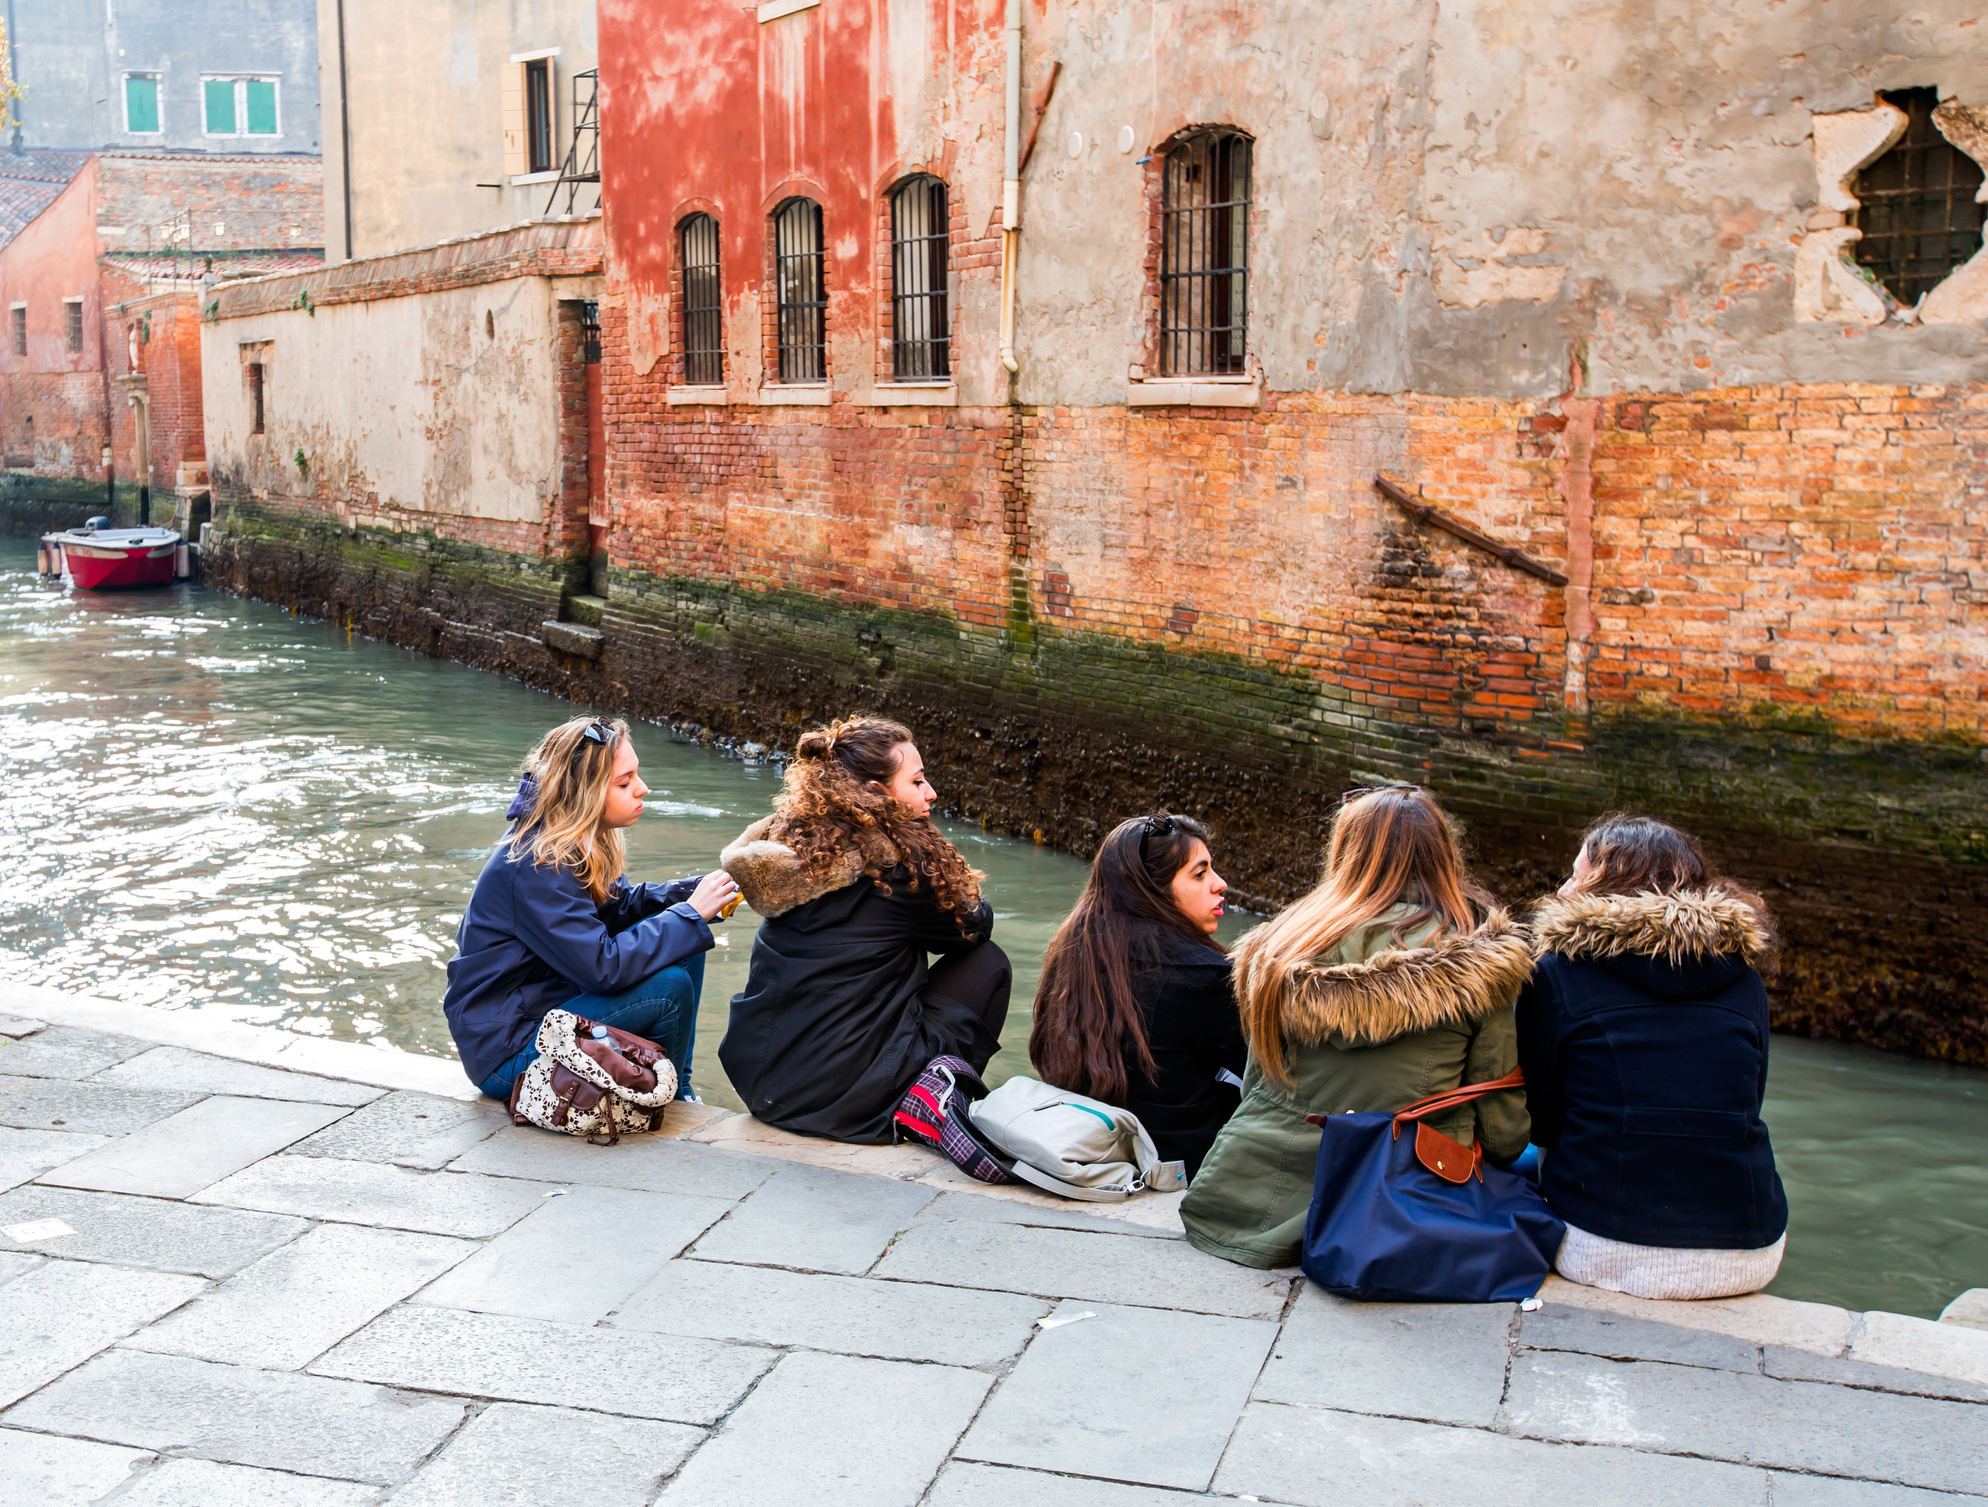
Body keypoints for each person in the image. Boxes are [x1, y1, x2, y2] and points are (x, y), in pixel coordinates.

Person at [1181, 785, 1533, 1268]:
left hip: (1249, 1204)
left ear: (1346, 853)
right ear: (1443, 853)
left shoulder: (1281, 947)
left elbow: (1256, 1087)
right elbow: (1502, 1135)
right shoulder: (1480, 962)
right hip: (1404, 1206)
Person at [1517, 815, 1788, 1299]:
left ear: (1604, 885)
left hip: (1600, 1242)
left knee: (1513, 1155)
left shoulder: (1556, 973)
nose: (1561, 890)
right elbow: (1748, 1100)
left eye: (1576, 875)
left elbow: (1540, 1122)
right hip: (1750, 1248)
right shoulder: (1745, 978)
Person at [718, 716, 1010, 1142]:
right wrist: (949, 877)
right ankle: (932, 1101)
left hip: (765, 1087)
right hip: (848, 1107)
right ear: (877, 793)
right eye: (917, 782)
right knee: (988, 962)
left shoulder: (793, 853)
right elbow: (972, 928)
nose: (931, 793)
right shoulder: (896, 874)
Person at [443, 715, 739, 1102]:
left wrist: (690, 895)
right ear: (584, 792)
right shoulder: (536, 864)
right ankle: (668, 1093)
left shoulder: (568, 837)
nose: (642, 789)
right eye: (624, 782)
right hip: (508, 1053)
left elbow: (618, 910)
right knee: (670, 986)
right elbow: (604, 969)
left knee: (684, 935)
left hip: (549, 1010)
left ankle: (678, 1085)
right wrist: (687, 915)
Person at [1029, 813, 1243, 1177]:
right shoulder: (1206, 975)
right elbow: (1260, 1073)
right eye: (1200, 873)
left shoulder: (1072, 949)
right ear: (1153, 888)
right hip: (1182, 1162)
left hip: (1087, 1143)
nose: (1220, 884)